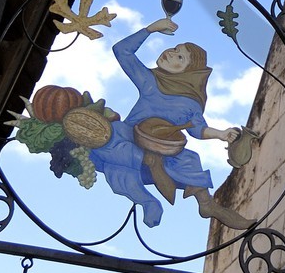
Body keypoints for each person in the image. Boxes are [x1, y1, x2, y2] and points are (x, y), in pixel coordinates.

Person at [89, 16, 252, 231]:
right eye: (174, 49)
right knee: (116, 134)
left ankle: (207, 204)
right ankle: (148, 201)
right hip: (130, 139)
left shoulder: (190, 102)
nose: (170, 53)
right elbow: (122, 51)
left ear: (189, 71)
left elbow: (197, 128)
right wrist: (150, 30)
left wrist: (221, 134)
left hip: (164, 150)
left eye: (180, 57)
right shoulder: (150, 81)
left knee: (190, 159)